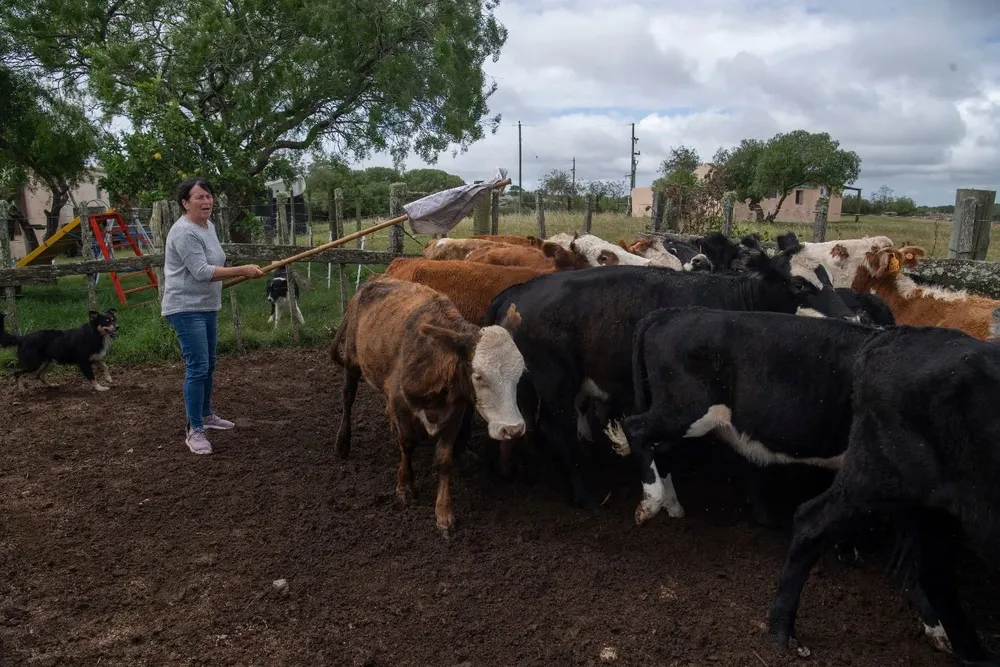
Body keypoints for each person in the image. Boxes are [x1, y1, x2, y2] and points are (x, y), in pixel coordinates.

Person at [161, 178, 264, 455]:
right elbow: (202, 271)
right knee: (197, 366)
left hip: (207, 305)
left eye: (208, 196)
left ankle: (205, 414)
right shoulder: (184, 232)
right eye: (199, 198)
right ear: (185, 203)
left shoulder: (209, 227)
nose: (206, 202)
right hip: (185, 307)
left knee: (209, 364)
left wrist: (238, 272)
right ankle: (194, 429)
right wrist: (242, 270)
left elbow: (214, 264)